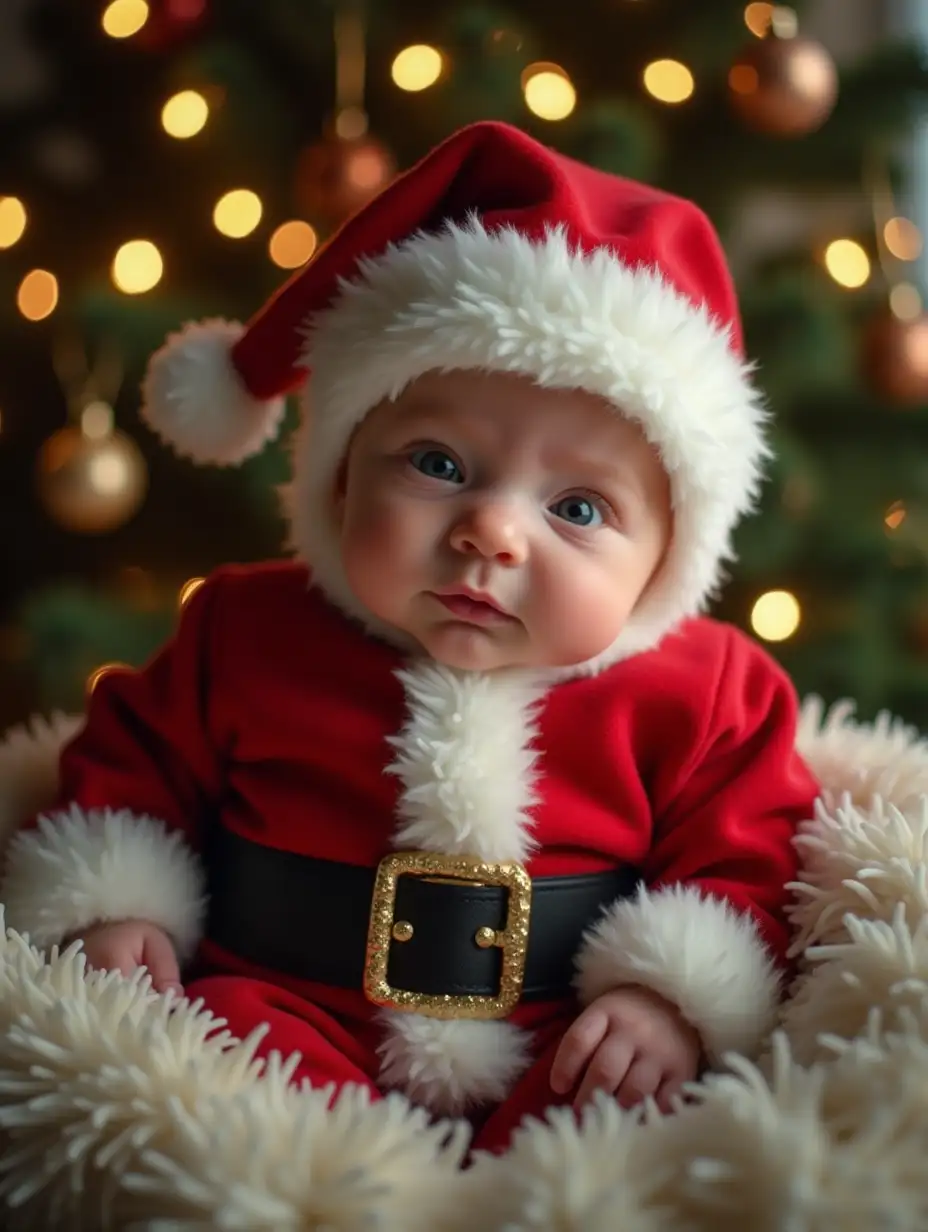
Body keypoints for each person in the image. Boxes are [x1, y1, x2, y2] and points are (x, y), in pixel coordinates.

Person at [0, 120, 819, 1155]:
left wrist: (669, 999)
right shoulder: (246, 629)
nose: (492, 530)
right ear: (341, 468)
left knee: (627, 1131)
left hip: (564, 1037)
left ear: (665, 556)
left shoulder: (706, 689)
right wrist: (120, 910)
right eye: (436, 463)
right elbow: (133, 765)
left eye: (577, 508)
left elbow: (751, 854)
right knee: (212, 1098)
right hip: (286, 1011)